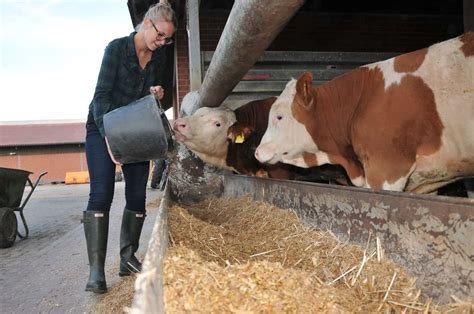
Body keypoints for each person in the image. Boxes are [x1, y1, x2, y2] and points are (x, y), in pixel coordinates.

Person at [83, 2, 177, 294]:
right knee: (102, 193)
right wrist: (109, 140)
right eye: (160, 35)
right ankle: (96, 272)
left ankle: (127, 258)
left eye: (167, 39)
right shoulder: (116, 49)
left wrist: (156, 94)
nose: (162, 43)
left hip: (136, 129)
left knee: (136, 194)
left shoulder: (158, 59)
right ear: (146, 23)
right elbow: (101, 97)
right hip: (102, 127)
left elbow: (157, 99)